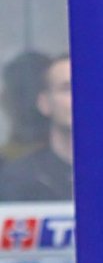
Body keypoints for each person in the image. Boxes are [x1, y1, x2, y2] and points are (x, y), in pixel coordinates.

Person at [0, 55, 73, 200]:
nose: (80, 96)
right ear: (44, 102)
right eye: (67, 88)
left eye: (88, 88)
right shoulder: (18, 178)